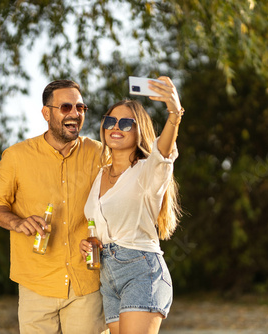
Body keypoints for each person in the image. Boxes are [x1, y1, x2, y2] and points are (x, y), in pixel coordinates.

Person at [0, 79, 107, 334]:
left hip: (86, 282)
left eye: (81, 108)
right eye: (66, 107)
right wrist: (17, 222)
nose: (75, 114)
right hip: (36, 283)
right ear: (46, 113)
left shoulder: (98, 153)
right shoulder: (17, 156)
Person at [81, 76, 183, 334]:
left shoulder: (148, 170)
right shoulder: (99, 174)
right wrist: (90, 242)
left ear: (140, 130)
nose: (116, 126)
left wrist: (174, 113)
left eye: (126, 122)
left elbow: (164, 152)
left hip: (141, 271)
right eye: (110, 121)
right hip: (108, 277)